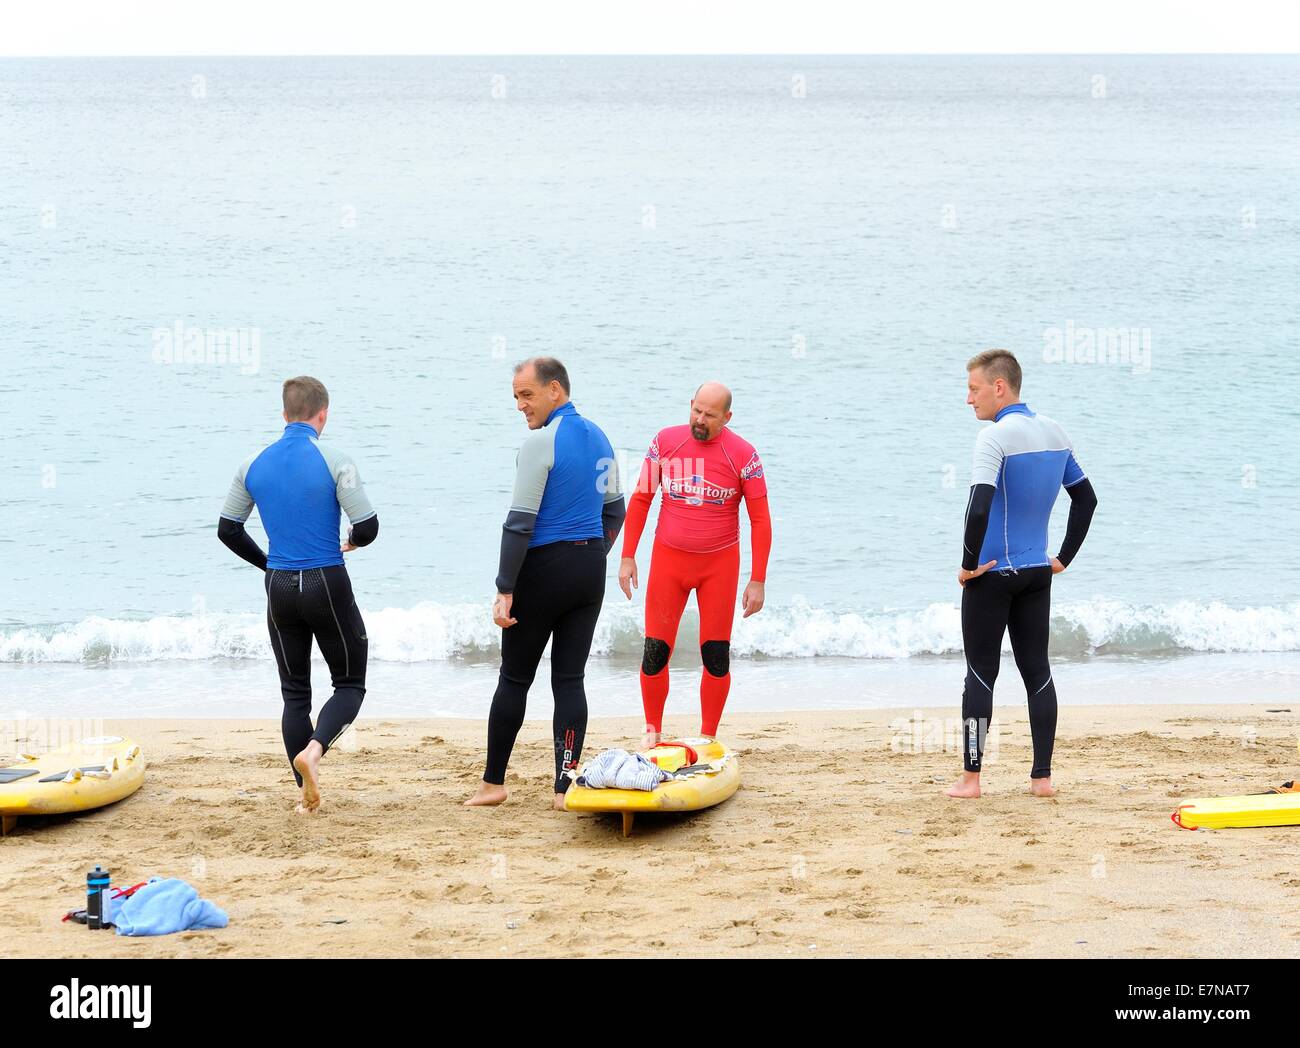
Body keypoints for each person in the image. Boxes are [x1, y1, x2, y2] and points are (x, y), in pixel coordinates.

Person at [465, 357, 626, 811]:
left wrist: (504, 588)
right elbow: (616, 510)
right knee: (570, 679)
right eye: (516, 396)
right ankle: (565, 787)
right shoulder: (602, 438)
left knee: (514, 679)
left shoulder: (540, 443)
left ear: (555, 390)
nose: (520, 405)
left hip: (542, 571)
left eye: (527, 394)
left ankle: (493, 784)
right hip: (588, 572)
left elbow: (519, 524)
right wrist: (594, 553)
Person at [218, 376, 378, 814]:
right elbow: (367, 526)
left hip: (280, 585)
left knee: (295, 695)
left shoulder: (252, 463)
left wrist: (269, 562)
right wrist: (354, 541)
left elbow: (228, 529)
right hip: (327, 581)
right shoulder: (335, 459)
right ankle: (315, 751)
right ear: (322, 414)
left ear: (284, 414)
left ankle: (303, 798)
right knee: (349, 683)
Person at [949, 349, 1097, 799]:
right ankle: (1042, 779)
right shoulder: (1055, 432)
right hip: (1037, 571)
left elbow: (979, 505)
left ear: (999, 387)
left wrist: (969, 562)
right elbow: (1086, 499)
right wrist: (1063, 557)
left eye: (974, 389)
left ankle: (972, 779)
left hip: (991, 575)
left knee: (979, 674)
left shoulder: (994, 438)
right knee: (1038, 673)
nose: (968, 399)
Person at [619, 382, 772, 750]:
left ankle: (708, 738)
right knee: (655, 651)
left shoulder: (744, 455)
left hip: (718, 567)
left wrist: (758, 579)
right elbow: (641, 499)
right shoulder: (666, 442)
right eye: (696, 410)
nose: (700, 420)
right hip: (668, 563)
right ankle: (652, 734)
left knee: (715, 655)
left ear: (727, 417)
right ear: (690, 405)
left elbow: (761, 520)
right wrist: (627, 555)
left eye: (710, 415)